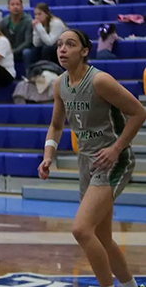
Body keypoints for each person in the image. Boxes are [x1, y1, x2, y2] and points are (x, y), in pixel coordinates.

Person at [39, 29, 145, 287]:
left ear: (84, 51)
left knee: (81, 229)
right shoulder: (59, 84)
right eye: (60, 44)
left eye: (70, 44)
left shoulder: (100, 81)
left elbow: (139, 112)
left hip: (112, 160)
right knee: (102, 236)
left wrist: (116, 149)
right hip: (87, 162)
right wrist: (48, 156)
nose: (62, 49)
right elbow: (55, 125)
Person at [0, 0, 33, 72]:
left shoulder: (28, 21)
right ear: (8, 8)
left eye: (18, 4)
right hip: (10, 50)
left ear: (22, 7)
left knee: (27, 52)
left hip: (22, 50)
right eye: (12, 4)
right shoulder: (4, 22)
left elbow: (28, 42)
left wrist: (13, 51)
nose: (15, 7)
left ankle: (29, 74)